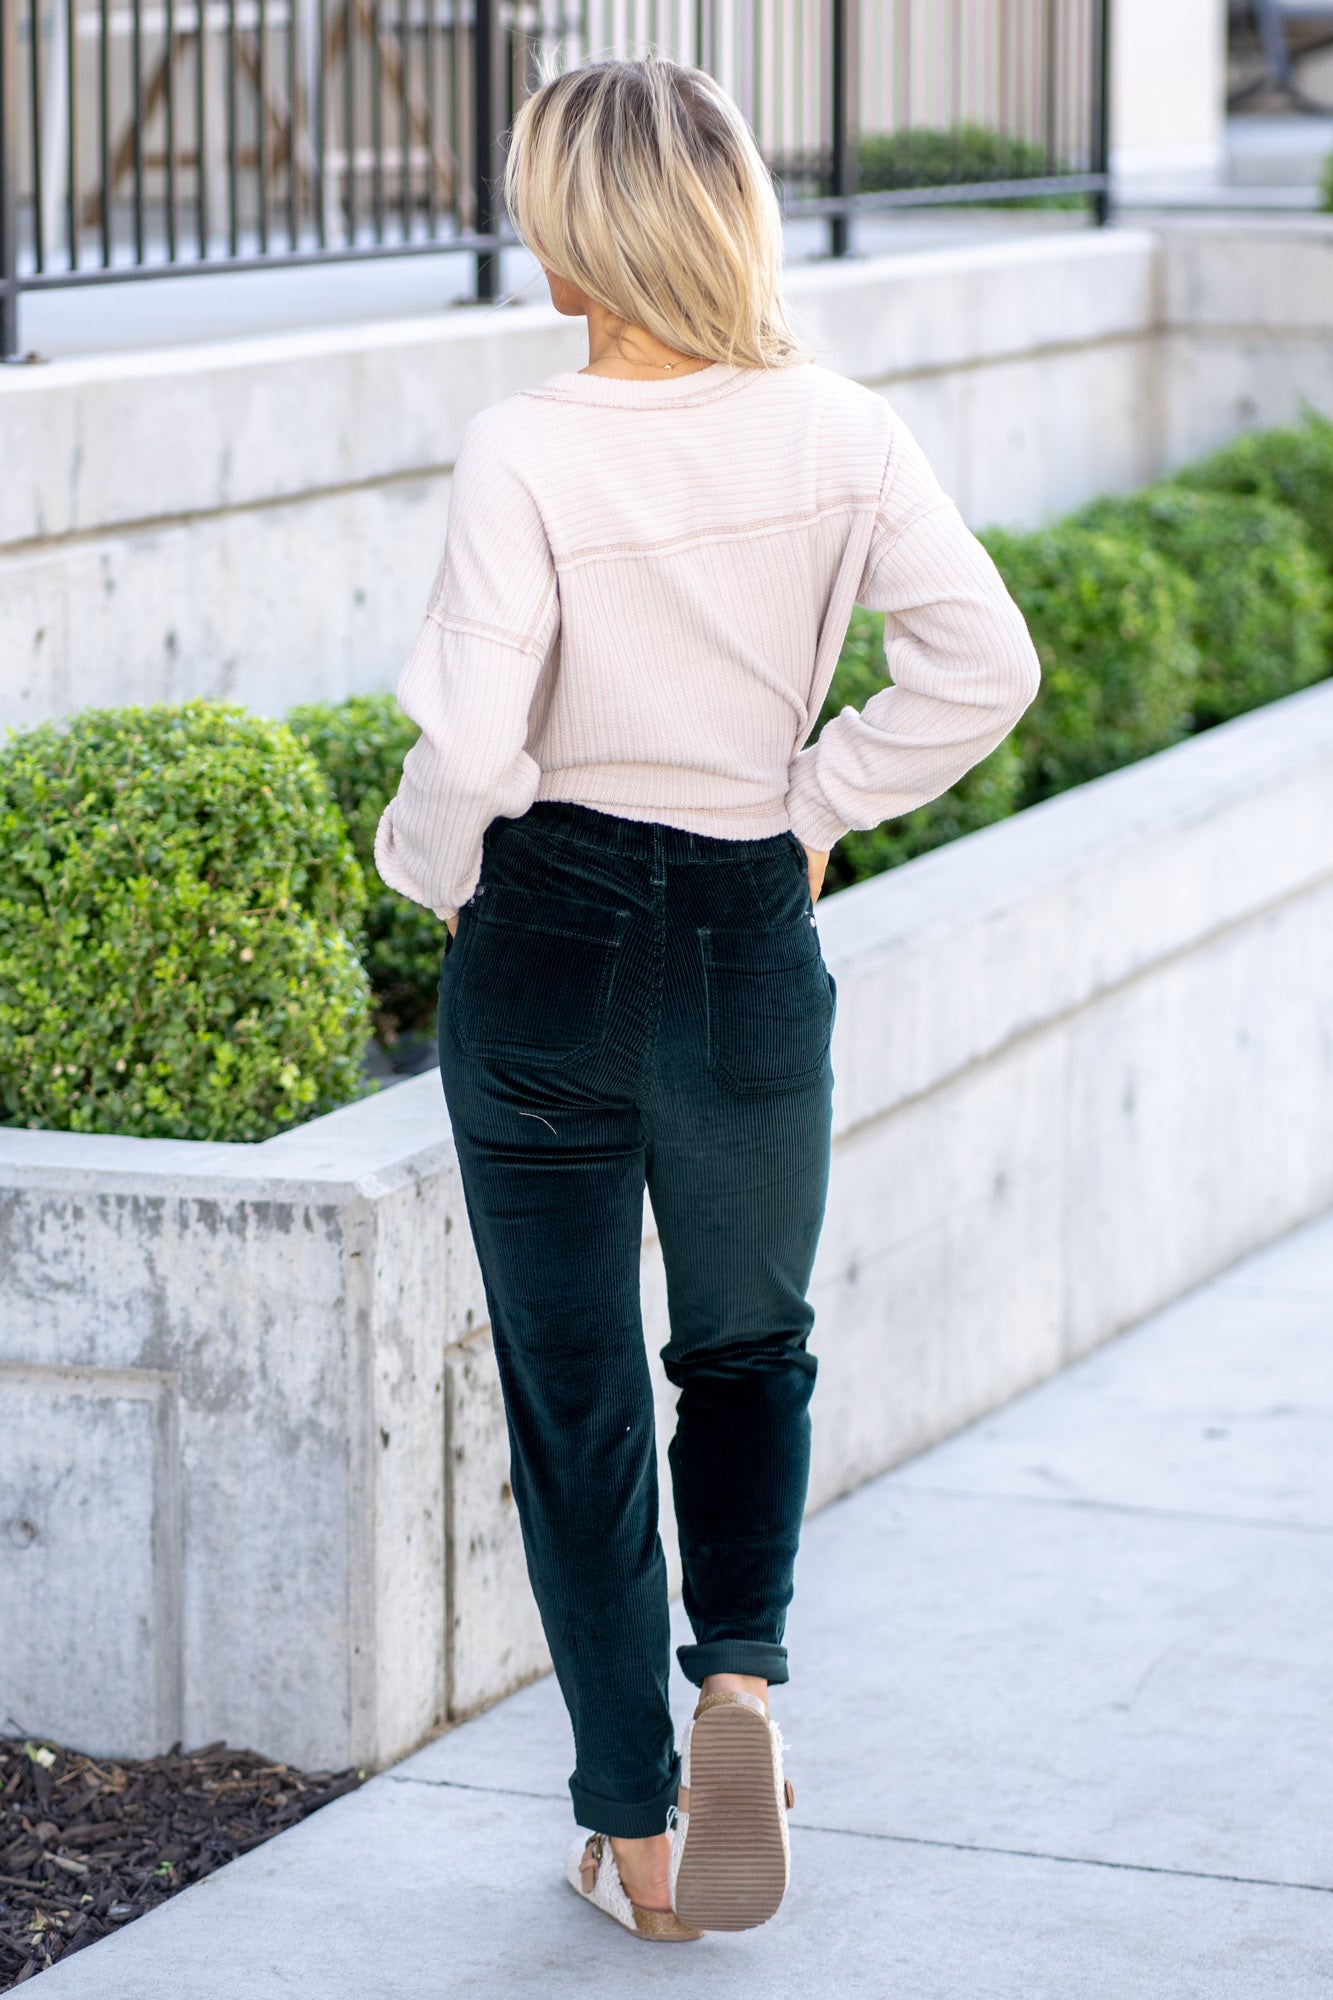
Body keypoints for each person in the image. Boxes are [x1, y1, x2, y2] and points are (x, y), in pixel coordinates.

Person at [376, 52, 1040, 1945]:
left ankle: (636, 1838)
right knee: (747, 1347)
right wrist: (816, 805)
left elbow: (470, 746)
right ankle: (737, 1678)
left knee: (573, 1394)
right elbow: (983, 666)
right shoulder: (840, 431)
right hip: (749, 926)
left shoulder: (527, 444)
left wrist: (431, 874)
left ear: (579, 233)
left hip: (550, 929)